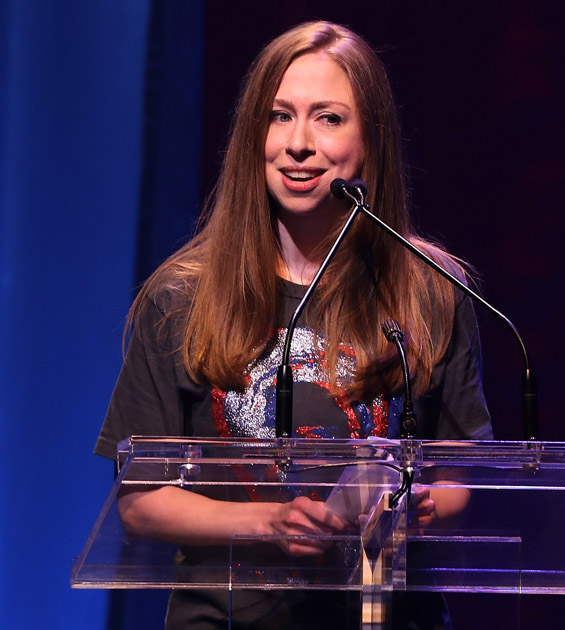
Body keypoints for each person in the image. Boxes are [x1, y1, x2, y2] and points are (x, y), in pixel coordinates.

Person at [95, 20, 492, 630]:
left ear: (371, 139)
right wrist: (268, 523)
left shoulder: (431, 289)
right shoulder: (182, 297)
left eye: (328, 118)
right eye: (279, 116)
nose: (298, 143)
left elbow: (459, 475)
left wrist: (418, 507)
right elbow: (141, 502)